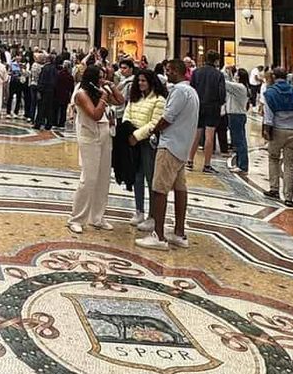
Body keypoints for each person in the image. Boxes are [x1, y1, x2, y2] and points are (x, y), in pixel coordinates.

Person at [135, 59, 199, 250]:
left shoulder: (179, 91)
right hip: (182, 146)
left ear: (177, 72)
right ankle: (179, 232)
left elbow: (167, 117)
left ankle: (158, 235)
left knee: (159, 189)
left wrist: (154, 131)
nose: (167, 74)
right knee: (180, 188)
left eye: (169, 71)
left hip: (169, 145)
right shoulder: (192, 91)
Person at [67, 64, 123, 234]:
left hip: (104, 135)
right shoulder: (81, 94)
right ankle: (76, 218)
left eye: (103, 76)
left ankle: (97, 217)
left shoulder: (99, 90)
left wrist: (111, 86)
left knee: (103, 178)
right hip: (89, 137)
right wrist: (104, 97)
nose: (101, 80)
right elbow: (95, 114)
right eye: (99, 77)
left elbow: (121, 101)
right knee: (89, 178)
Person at [125, 69, 167, 227]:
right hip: (133, 141)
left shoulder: (159, 100)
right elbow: (127, 114)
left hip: (148, 143)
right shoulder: (134, 98)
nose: (141, 83)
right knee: (137, 177)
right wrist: (128, 131)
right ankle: (139, 210)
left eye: (144, 80)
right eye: (139, 81)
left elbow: (155, 123)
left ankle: (152, 215)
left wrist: (136, 135)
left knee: (151, 178)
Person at [262, 66, 293, 206]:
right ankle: (289, 197)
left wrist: (266, 131)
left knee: (273, 159)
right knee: (290, 165)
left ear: (274, 77)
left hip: (277, 129)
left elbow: (268, 116)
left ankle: (274, 188)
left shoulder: (270, 93)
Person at [188, 51, 225, 172]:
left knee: (195, 134)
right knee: (209, 136)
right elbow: (222, 94)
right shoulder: (218, 74)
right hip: (212, 106)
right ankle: (207, 164)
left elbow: (191, 88)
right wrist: (219, 103)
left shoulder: (196, 72)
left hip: (198, 105)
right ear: (216, 61)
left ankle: (190, 160)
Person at [224, 67, 251, 177]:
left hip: (236, 116)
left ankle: (243, 166)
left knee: (240, 141)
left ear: (239, 77)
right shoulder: (241, 87)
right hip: (236, 115)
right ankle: (240, 163)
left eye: (236, 74)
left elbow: (226, 83)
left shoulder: (240, 87)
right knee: (237, 140)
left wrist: (224, 73)